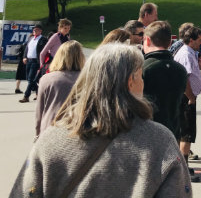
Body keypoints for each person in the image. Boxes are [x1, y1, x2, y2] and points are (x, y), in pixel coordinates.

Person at [11, 43, 191, 197]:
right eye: (141, 76)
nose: (143, 83)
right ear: (131, 81)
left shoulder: (50, 140)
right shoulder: (159, 140)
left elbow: (24, 192)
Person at [142, 21, 188, 137]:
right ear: (170, 42)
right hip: (172, 131)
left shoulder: (142, 68)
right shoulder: (181, 69)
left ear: (147, 40)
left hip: (147, 133)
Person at [173, 25, 201, 182]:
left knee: (186, 132)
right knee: (187, 132)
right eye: (199, 40)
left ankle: (182, 165)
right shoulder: (186, 54)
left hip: (187, 97)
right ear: (191, 40)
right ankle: (183, 169)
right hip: (186, 98)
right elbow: (184, 78)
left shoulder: (191, 52)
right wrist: (191, 96)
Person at [35, 40, 85, 136]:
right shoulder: (87, 79)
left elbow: (39, 111)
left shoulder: (46, 79)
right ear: (81, 57)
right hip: (77, 130)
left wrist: (37, 134)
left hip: (49, 128)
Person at [19, 24, 47, 103]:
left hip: (36, 61)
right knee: (29, 79)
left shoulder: (43, 39)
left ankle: (26, 96)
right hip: (29, 60)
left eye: (36, 30)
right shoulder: (31, 38)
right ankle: (38, 91)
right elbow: (26, 49)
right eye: (34, 30)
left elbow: (44, 50)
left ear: (40, 31)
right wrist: (24, 57)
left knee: (31, 79)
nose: (34, 31)